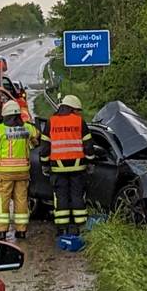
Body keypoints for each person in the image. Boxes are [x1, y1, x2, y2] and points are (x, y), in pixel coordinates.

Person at [40, 94, 93, 236]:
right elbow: (88, 145)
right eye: (77, 111)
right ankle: (80, 227)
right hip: (78, 168)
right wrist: (90, 162)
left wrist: (44, 164)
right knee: (77, 196)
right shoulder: (79, 122)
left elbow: (45, 147)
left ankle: (62, 229)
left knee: (61, 197)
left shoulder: (51, 122)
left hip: (57, 168)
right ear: (72, 108)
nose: (78, 113)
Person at [0, 100, 37, 240]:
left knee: (2, 201)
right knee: (21, 200)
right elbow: (37, 139)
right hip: (23, 171)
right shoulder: (28, 128)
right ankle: (21, 230)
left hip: (4, 172)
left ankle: (1, 232)